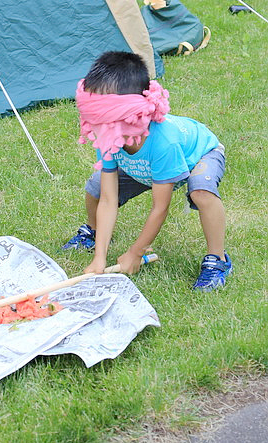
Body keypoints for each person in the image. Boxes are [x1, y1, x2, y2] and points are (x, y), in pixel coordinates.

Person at [62, 51, 232, 292]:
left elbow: (160, 207)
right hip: (144, 168)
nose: (99, 125)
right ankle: (95, 233)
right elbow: (109, 200)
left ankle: (218, 261)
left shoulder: (165, 142)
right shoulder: (108, 133)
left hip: (199, 154)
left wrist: (136, 251)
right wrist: (100, 258)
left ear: (132, 112)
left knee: (201, 193)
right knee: (97, 188)